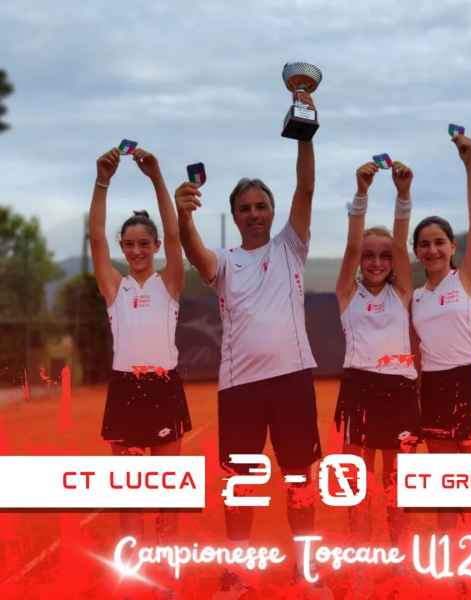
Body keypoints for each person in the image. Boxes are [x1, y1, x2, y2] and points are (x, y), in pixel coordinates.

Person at [175, 91, 325, 595]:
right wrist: (183, 215)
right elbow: (194, 252)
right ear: (235, 216)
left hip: (292, 380)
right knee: (240, 483)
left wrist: (305, 131)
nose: (255, 214)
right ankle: (237, 573)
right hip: (240, 388)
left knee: (300, 478)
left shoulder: (291, 247)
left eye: (262, 206)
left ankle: (305, 571)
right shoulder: (224, 262)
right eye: (246, 208)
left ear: (273, 211)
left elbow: (306, 187)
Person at [90, 146, 191, 544]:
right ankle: (132, 567)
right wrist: (102, 182)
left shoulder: (170, 283)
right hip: (125, 390)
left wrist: (156, 177)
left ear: (157, 246)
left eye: (144, 244)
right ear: (122, 247)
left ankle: (165, 565)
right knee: (130, 491)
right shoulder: (115, 287)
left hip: (164, 387)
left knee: (166, 490)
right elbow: (96, 238)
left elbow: (176, 233)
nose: (136, 251)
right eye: (129, 245)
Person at [411, 133, 471, 529]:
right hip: (435, 385)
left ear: (453, 247)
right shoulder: (416, 297)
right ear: (416, 252)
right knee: (445, 487)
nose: (432, 250)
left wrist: (470, 164)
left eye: (439, 242)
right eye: (424, 244)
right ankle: (451, 557)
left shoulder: (468, 279)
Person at [334, 160, 419, 545]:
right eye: (369, 256)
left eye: (384, 256)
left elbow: (400, 245)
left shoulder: (401, 293)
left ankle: (398, 555)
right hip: (359, 389)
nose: (377, 262)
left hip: (400, 390)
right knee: (358, 479)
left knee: (396, 480)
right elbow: (353, 245)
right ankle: (361, 559)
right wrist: (361, 194)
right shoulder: (346, 293)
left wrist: (403, 196)